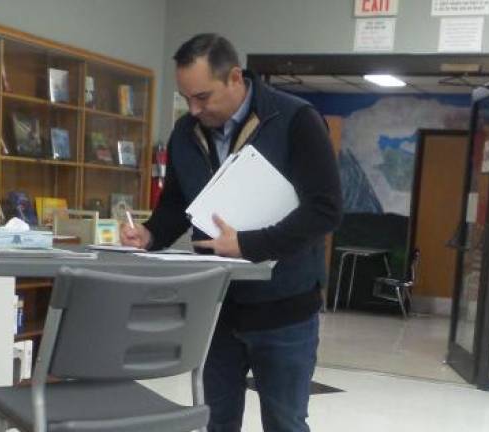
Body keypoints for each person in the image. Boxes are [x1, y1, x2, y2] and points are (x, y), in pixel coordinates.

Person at [121, 33, 342, 432]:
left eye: (203, 97)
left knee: (286, 422)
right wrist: (150, 234)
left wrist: (247, 245)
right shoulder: (185, 134)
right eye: (187, 98)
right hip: (216, 308)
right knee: (217, 421)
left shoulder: (295, 120)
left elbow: (325, 210)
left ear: (235, 77)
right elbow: (176, 205)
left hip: (285, 309)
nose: (193, 108)